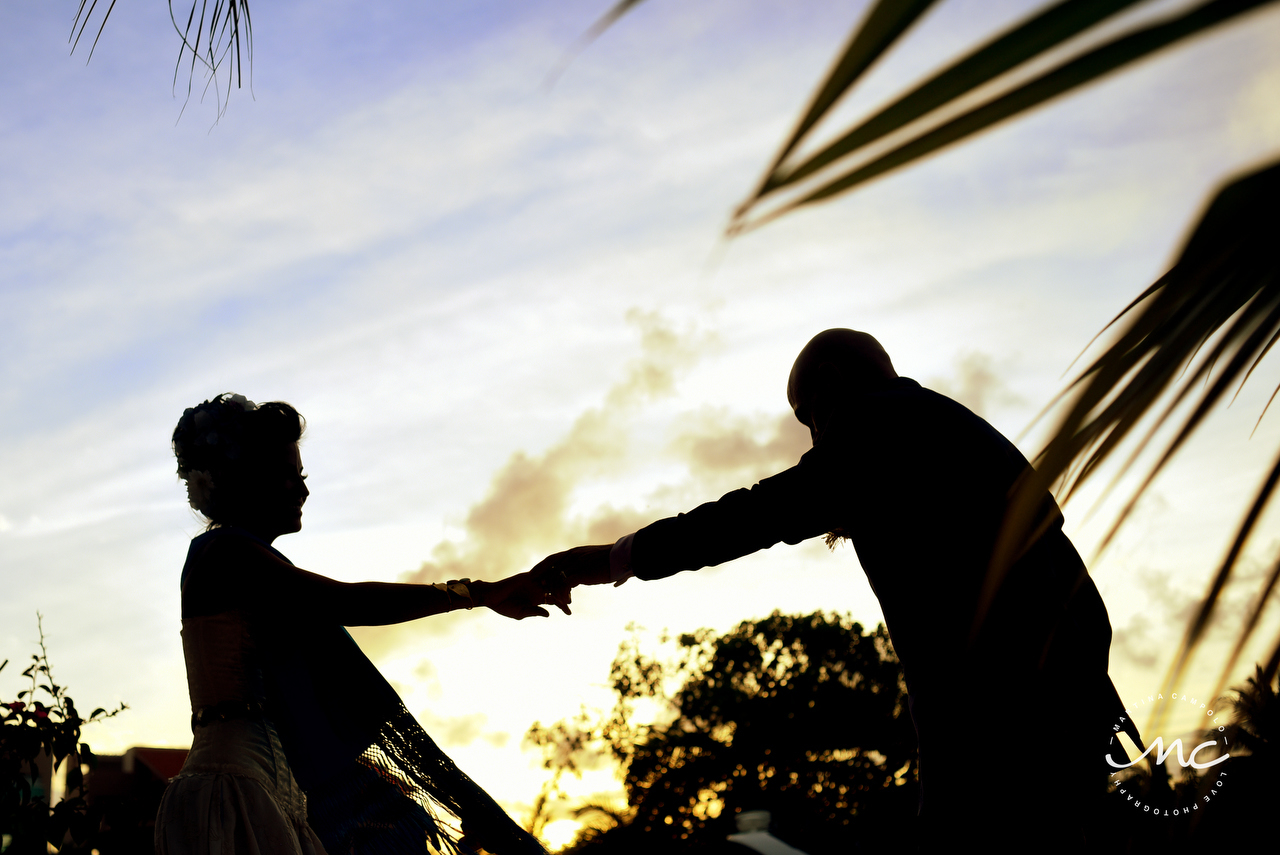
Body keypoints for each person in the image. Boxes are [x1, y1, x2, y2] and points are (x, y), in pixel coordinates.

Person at [533, 330, 1131, 848]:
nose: (813, 437)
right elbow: (1078, 593)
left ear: (830, 378)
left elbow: (750, 517)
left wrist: (616, 557)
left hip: (993, 713)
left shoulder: (877, 423)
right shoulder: (960, 431)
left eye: (807, 415)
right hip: (1067, 701)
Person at [158, 393, 558, 855]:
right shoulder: (224, 552)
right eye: (286, 476)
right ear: (241, 480)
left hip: (266, 782)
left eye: (301, 475)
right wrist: (475, 594)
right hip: (238, 790)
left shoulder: (240, 558)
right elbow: (343, 602)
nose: (302, 490)